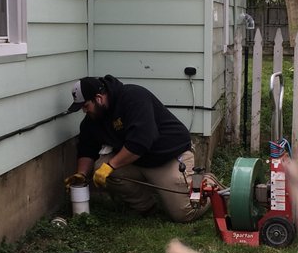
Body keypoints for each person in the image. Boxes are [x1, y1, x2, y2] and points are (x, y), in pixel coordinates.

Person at [64, 75, 209, 223]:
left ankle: (206, 184)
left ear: (99, 98)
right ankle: (146, 207)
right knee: (100, 168)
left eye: (85, 106)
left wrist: (111, 166)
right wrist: (81, 174)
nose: (84, 111)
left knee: (184, 213)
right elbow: (86, 149)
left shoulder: (133, 97)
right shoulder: (92, 121)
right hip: (136, 161)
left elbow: (140, 143)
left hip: (168, 157)